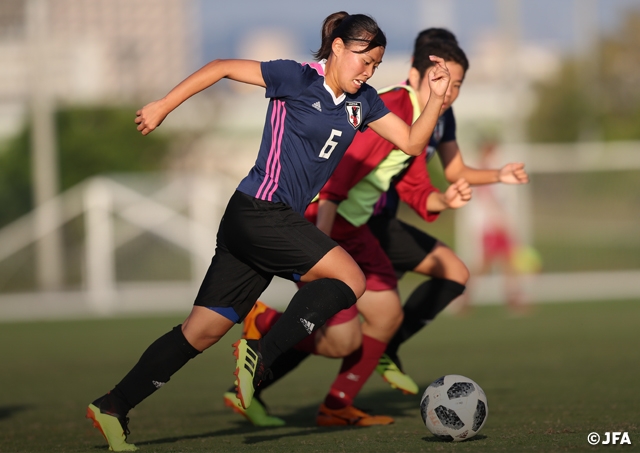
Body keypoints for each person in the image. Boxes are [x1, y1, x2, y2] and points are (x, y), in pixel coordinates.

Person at [85, 12, 452, 452]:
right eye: (362, 59)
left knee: (201, 331)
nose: (368, 71)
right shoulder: (294, 77)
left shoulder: (365, 102)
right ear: (337, 48)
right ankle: (261, 355)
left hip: (262, 223)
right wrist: (164, 105)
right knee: (349, 279)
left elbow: (412, 142)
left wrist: (433, 97)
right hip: (259, 210)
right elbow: (220, 65)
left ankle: (113, 404)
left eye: (375, 64)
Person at [223, 29, 529, 428]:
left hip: (366, 224)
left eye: (457, 85)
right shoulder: (391, 108)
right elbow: (336, 180)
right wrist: (321, 244)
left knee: (375, 317)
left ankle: (363, 365)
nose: (449, 91)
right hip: (338, 223)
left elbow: (426, 180)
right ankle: (278, 331)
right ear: (418, 73)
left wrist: (491, 177)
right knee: (340, 332)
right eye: (444, 81)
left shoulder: (437, 113)